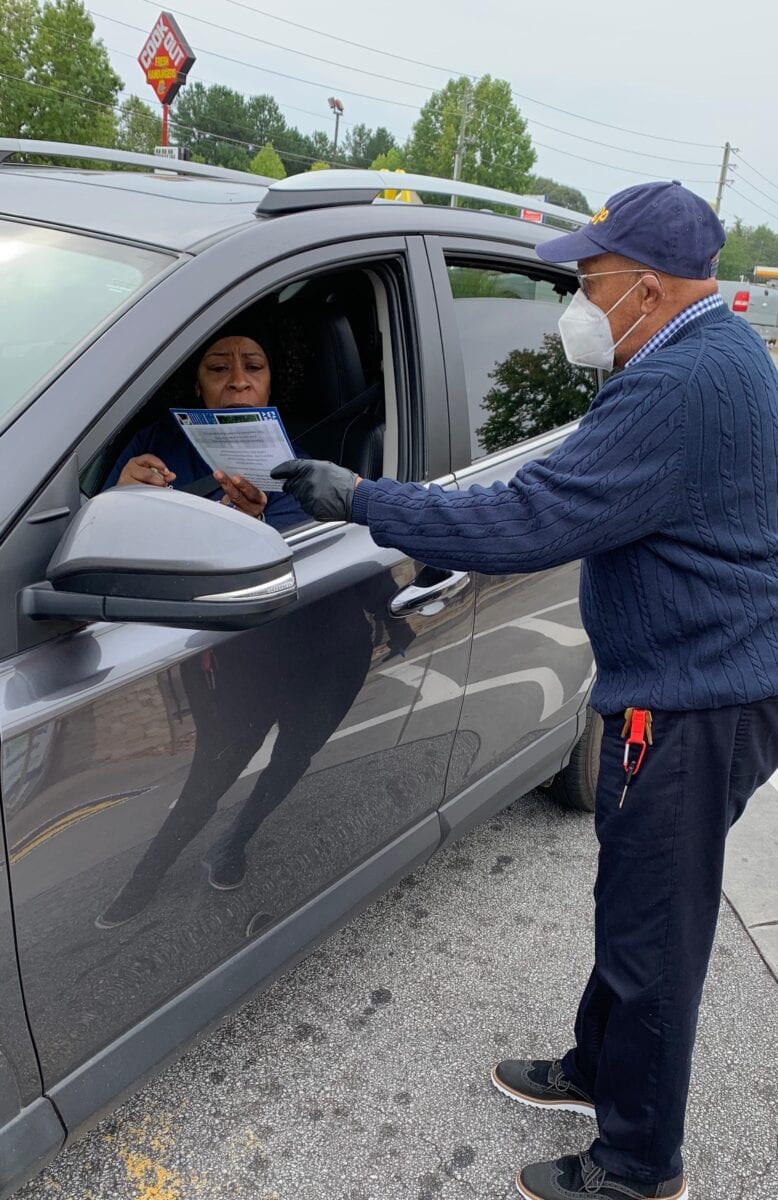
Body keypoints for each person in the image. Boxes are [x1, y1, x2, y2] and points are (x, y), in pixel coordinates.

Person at [271, 182, 778, 1200]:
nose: (575, 301)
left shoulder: (677, 384)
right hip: (708, 674)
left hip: (689, 700)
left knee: (653, 933)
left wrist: (361, 498)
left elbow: (526, 523)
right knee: (631, 902)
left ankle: (637, 1165)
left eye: (588, 280)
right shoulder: (712, 350)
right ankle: (597, 1070)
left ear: (645, 286)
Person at [105, 322, 306, 531]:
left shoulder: (296, 471)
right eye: (219, 368)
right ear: (198, 385)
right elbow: (97, 530)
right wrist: (119, 502)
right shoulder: (152, 442)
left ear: (271, 383)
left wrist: (256, 524)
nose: (238, 382)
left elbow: (289, 556)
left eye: (253, 367)